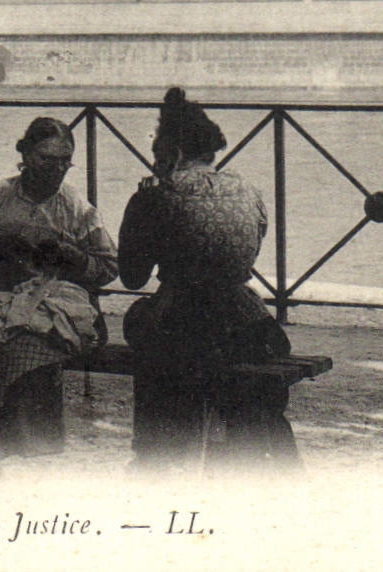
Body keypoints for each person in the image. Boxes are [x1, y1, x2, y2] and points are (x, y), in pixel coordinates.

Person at [0, 116, 117, 506]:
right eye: (48, 159)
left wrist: (71, 255)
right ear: (24, 155)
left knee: (23, 354)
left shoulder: (77, 208)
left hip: (51, 307)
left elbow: (108, 269)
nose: (57, 170)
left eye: (66, 161)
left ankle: (18, 457)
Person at [118, 87, 299, 471]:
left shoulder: (156, 195)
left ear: (173, 153)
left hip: (182, 323)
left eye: (157, 154)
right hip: (249, 324)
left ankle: (154, 455)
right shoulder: (249, 191)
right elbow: (244, 255)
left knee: (139, 320)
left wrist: (144, 212)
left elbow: (132, 277)